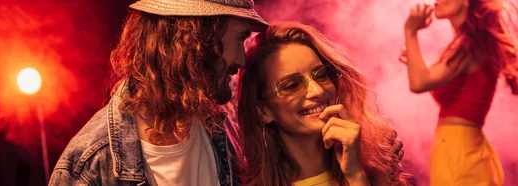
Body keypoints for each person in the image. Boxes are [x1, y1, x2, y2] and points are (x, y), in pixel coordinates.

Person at [48, 0, 268, 185]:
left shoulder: (221, 126)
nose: (242, 59)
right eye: (240, 38)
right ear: (196, 39)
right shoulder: (88, 168)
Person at [236, 22, 412, 186]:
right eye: (292, 85)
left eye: (321, 75)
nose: (318, 91)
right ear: (263, 111)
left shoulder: (378, 164)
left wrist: (356, 175)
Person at [401, 0, 518, 185]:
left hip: (460, 150)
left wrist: (410, 31)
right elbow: (441, 91)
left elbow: (419, 83)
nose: (436, 1)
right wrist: (414, 64)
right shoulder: (472, 43)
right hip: (459, 146)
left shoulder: (468, 46)